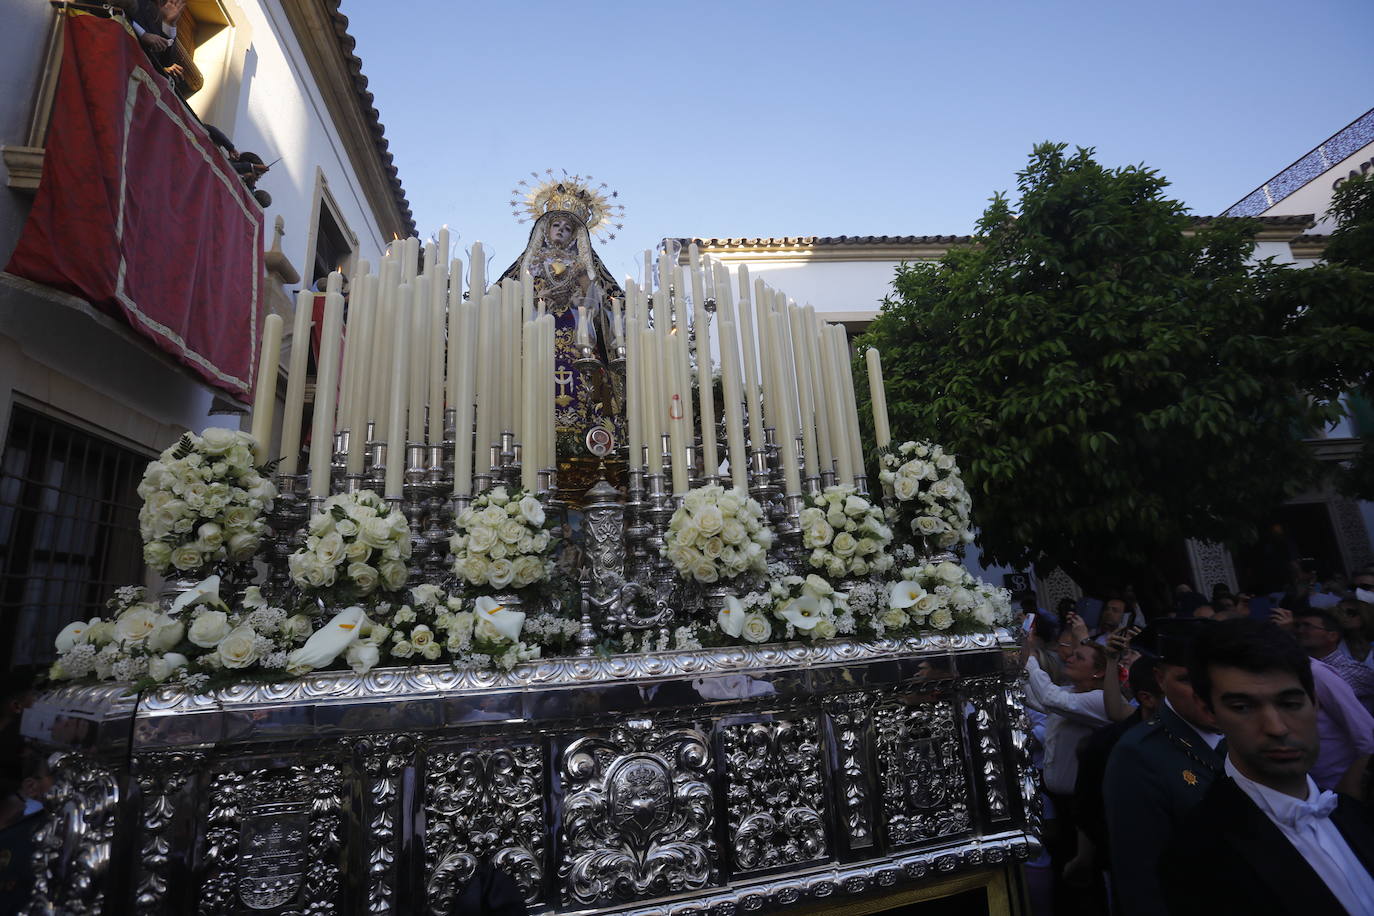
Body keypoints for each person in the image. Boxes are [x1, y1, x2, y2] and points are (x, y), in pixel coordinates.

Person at [1159, 618, 1374, 915]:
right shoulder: (1198, 855)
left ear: (1314, 701)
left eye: (1290, 703)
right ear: (1210, 712)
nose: (1276, 728)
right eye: (1243, 707)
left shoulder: (1355, 815)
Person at [1103, 619, 1224, 916]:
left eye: (1215, 677)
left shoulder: (1248, 730)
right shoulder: (1138, 754)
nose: (1205, 692)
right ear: (1159, 679)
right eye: (1186, 679)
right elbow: (1141, 880)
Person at [1023, 634, 1111, 913]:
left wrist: (1031, 662)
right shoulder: (1072, 693)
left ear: (1098, 672)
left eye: (1079, 657)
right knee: (1065, 875)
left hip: (1082, 806)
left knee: (1085, 878)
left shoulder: (1101, 699)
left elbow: (1049, 697)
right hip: (1061, 803)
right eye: (1071, 654)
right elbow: (1040, 700)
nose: (1068, 657)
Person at [1294, 607, 1374, 712]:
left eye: (1307, 626)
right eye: (1297, 626)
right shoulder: (1297, 665)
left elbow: (1308, 695)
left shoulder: (1351, 670)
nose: (1299, 631)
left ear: (1332, 636)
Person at [1334, 598, 1374, 669]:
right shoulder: (1335, 642)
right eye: (1340, 612)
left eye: (1350, 612)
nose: (1344, 616)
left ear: (1364, 615)